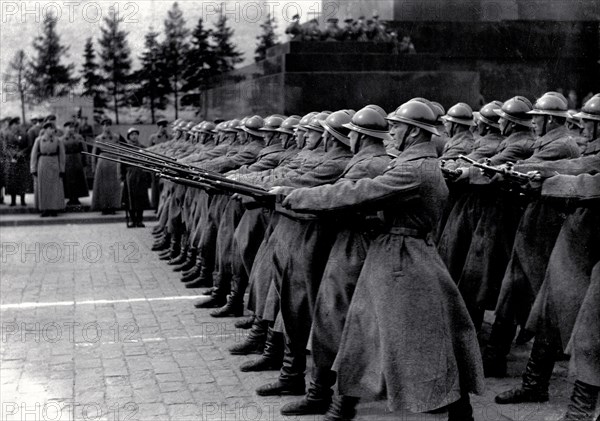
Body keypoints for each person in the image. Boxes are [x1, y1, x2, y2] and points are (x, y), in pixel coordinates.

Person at [282, 98, 484, 421]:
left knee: (425, 342)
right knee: (362, 335)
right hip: (397, 257)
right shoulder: (414, 163)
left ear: (415, 132)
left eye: (398, 127)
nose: (392, 133)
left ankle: (459, 412)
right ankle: (341, 406)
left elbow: (360, 191)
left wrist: (298, 196)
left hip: (405, 263)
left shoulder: (414, 168)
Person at [30, 121, 66, 217]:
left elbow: (62, 156)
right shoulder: (39, 140)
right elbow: (33, 155)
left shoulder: (58, 140)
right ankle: (45, 209)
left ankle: (54, 208)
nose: (52, 130)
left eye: (53, 128)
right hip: (43, 163)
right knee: (44, 187)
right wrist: (33, 168)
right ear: (45, 129)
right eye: (50, 128)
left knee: (54, 187)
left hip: (54, 163)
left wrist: (62, 169)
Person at [120, 128, 151, 228]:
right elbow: (121, 164)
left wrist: (148, 175)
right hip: (130, 174)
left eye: (136, 134)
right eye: (132, 134)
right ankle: (133, 220)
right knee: (130, 199)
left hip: (141, 174)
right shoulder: (125, 149)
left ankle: (140, 220)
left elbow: (148, 163)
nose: (134, 136)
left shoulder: (142, 148)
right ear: (128, 136)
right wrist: (121, 178)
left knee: (141, 198)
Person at [91, 118, 122, 215]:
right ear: (102, 126)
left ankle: (113, 206)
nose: (106, 127)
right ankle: (104, 207)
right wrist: (93, 166)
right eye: (104, 125)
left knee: (113, 186)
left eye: (108, 125)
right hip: (103, 162)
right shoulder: (99, 138)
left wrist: (120, 163)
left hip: (113, 161)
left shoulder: (116, 137)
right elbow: (94, 152)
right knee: (103, 186)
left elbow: (119, 150)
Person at [61, 121, 89, 205]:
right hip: (67, 160)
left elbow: (84, 150)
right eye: (69, 127)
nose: (71, 129)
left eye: (72, 127)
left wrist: (85, 161)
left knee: (78, 179)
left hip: (77, 159)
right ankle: (70, 197)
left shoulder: (79, 137)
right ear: (65, 128)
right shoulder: (61, 139)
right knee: (68, 180)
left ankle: (76, 198)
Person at [4, 117, 29, 206]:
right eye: (15, 124)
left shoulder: (24, 134)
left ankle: (23, 200)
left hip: (22, 160)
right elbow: (5, 147)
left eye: (18, 124)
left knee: (22, 180)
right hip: (12, 161)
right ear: (11, 126)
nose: (17, 126)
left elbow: (28, 146)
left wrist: (21, 153)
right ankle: (13, 201)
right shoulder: (7, 134)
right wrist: (12, 155)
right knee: (12, 180)